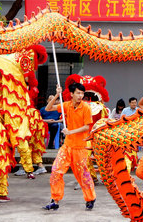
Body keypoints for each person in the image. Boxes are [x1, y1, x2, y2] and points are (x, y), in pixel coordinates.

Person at [43, 83, 96, 211]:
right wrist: (57, 94)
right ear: (71, 94)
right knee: (56, 171)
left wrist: (70, 132)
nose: (80, 96)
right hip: (67, 146)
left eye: (82, 93)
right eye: (78, 93)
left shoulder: (86, 108)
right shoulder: (66, 105)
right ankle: (55, 200)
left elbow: (87, 127)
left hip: (80, 147)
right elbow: (48, 109)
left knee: (82, 175)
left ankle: (90, 198)